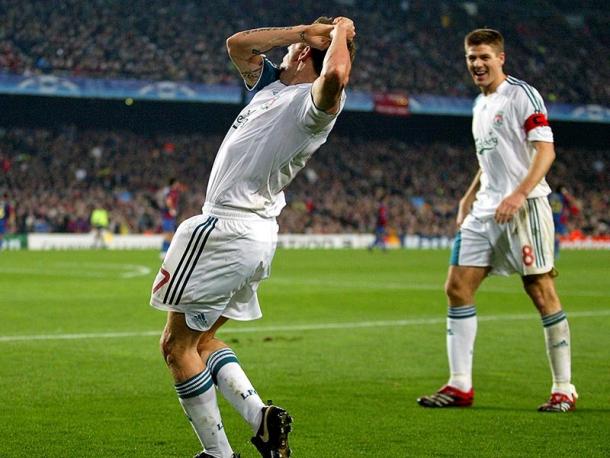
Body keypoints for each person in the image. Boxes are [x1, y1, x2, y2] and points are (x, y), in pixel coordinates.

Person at [150, 17, 356, 458]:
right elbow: (237, 44)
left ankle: (219, 454)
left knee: (176, 346)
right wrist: (303, 32)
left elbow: (335, 73)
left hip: (225, 227)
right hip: (251, 233)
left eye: (297, 49)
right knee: (202, 341)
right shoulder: (269, 88)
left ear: (303, 58)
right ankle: (262, 420)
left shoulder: (310, 104)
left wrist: (340, 32)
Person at [417, 29, 576, 412]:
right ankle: (459, 385)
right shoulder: (479, 104)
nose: (477, 63)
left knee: (540, 290)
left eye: (484, 56)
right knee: (457, 287)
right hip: (485, 208)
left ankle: (563, 388)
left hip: (524, 207)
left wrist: (519, 193)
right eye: (471, 57)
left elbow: (546, 150)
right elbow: (490, 157)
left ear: (500, 58)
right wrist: (469, 194)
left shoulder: (522, 94)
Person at [548, 185, 579, 258]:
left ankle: (549, 253)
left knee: (548, 236)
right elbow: (573, 204)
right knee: (557, 236)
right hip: (559, 219)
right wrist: (566, 194)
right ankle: (555, 253)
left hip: (549, 218)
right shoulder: (562, 197)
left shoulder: (550, 195)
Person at [160, 178, 183, 259]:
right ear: (173, 183)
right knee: (168, 234)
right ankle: (164, 251)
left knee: (170, 233)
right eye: (177, 183)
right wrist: (171, 209)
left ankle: (166, 251)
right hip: (168, 216)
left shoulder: (173, 192)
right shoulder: (171, 192)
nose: (178, 184)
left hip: (170, 216)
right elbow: (168, 201)